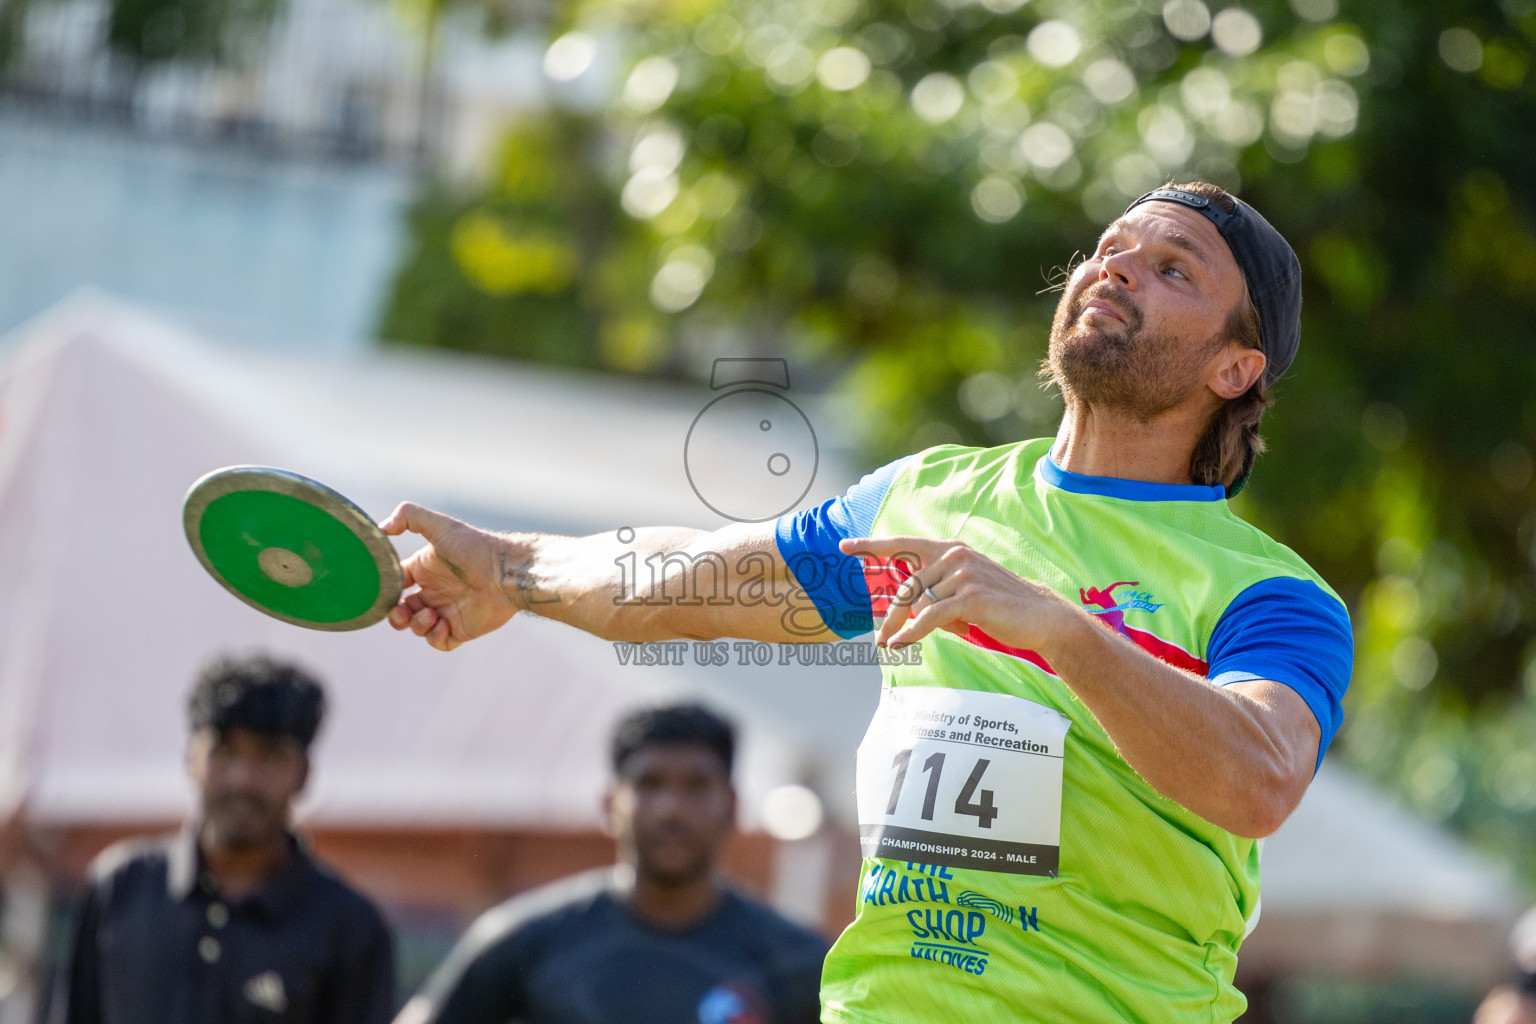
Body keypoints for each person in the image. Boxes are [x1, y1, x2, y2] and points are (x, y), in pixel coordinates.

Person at [378, 182, 1353, 1022]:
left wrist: (1062, 631)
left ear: (1236, 368)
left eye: (1173, 269)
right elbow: (704, 578)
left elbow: (1257, 780)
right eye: (1109, 250)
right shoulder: (926, 496)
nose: (1117, 269)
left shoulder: (1266, 590)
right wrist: (514, 571)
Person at [394, 702, 829, 1024]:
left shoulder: (798, 962)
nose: (670, 809)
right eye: (649, 784)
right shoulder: (524, 942)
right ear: (609, 804)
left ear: (732, 806)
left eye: (696, 786)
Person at [51, 654, 396, 1024]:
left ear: (303, 773)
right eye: (225, 751)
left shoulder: (349, 928)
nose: (242, 780)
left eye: (269, 756)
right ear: (191, 758)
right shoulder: (121, 889)